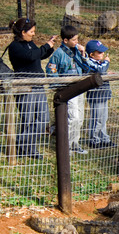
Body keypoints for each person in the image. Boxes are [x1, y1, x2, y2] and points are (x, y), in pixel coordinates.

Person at [7, 17, 57, 160]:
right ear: (23, 32)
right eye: (31, 32)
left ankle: (20, 142)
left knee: (43, 119)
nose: (33, 34)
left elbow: (39, 55)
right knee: (27, 119)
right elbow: (31, 56)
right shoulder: (15, 46)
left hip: (38, 85)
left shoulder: (30, 43)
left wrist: (50, 46)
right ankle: (28, 149)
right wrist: (46, 46)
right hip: (25, 86)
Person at [46, 25, 90, 155]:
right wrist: (59, 87)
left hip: (80, 87)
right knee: (73, 118)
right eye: (74, 40)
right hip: (68, 90)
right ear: (65, 40)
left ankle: (75, 143)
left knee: (80, 118)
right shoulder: (58, 54)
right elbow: (51, 71)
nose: (77, 42)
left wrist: (83, 54)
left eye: (77, 39)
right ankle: (66, 146)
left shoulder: (77, 51)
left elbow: (86, 67)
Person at [85, 40, 114, 149]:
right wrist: (107, 62)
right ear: (91, 54)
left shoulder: (100, 63)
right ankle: (94, 140)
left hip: (103, 94)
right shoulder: (89, 62)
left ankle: (104, 138)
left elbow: (102, 71)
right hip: (96, 95)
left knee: (103, 118)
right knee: (96, 118)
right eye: (99, 52)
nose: (102, 54)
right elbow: (100, 70)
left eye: (103, 52)